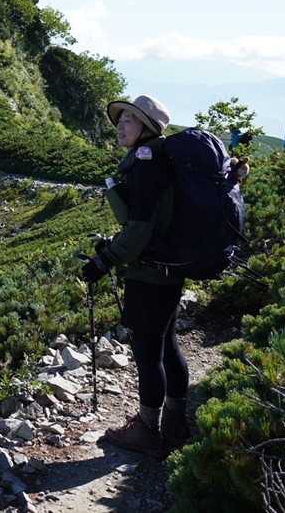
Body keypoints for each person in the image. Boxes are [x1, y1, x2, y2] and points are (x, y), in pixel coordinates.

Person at [81, 94, 189, 457]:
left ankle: (147, 430)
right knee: (167, 344)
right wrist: (116, 246)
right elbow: (152, 222)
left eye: (129, 119)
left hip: (149, 274)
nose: (120, 125)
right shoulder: (162, 160)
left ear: (147, 128)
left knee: (147, 351)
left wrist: (103, 261)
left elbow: (140, 229)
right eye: (121, 119)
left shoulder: (146, 166)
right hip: (171, 267)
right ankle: (175, 422)